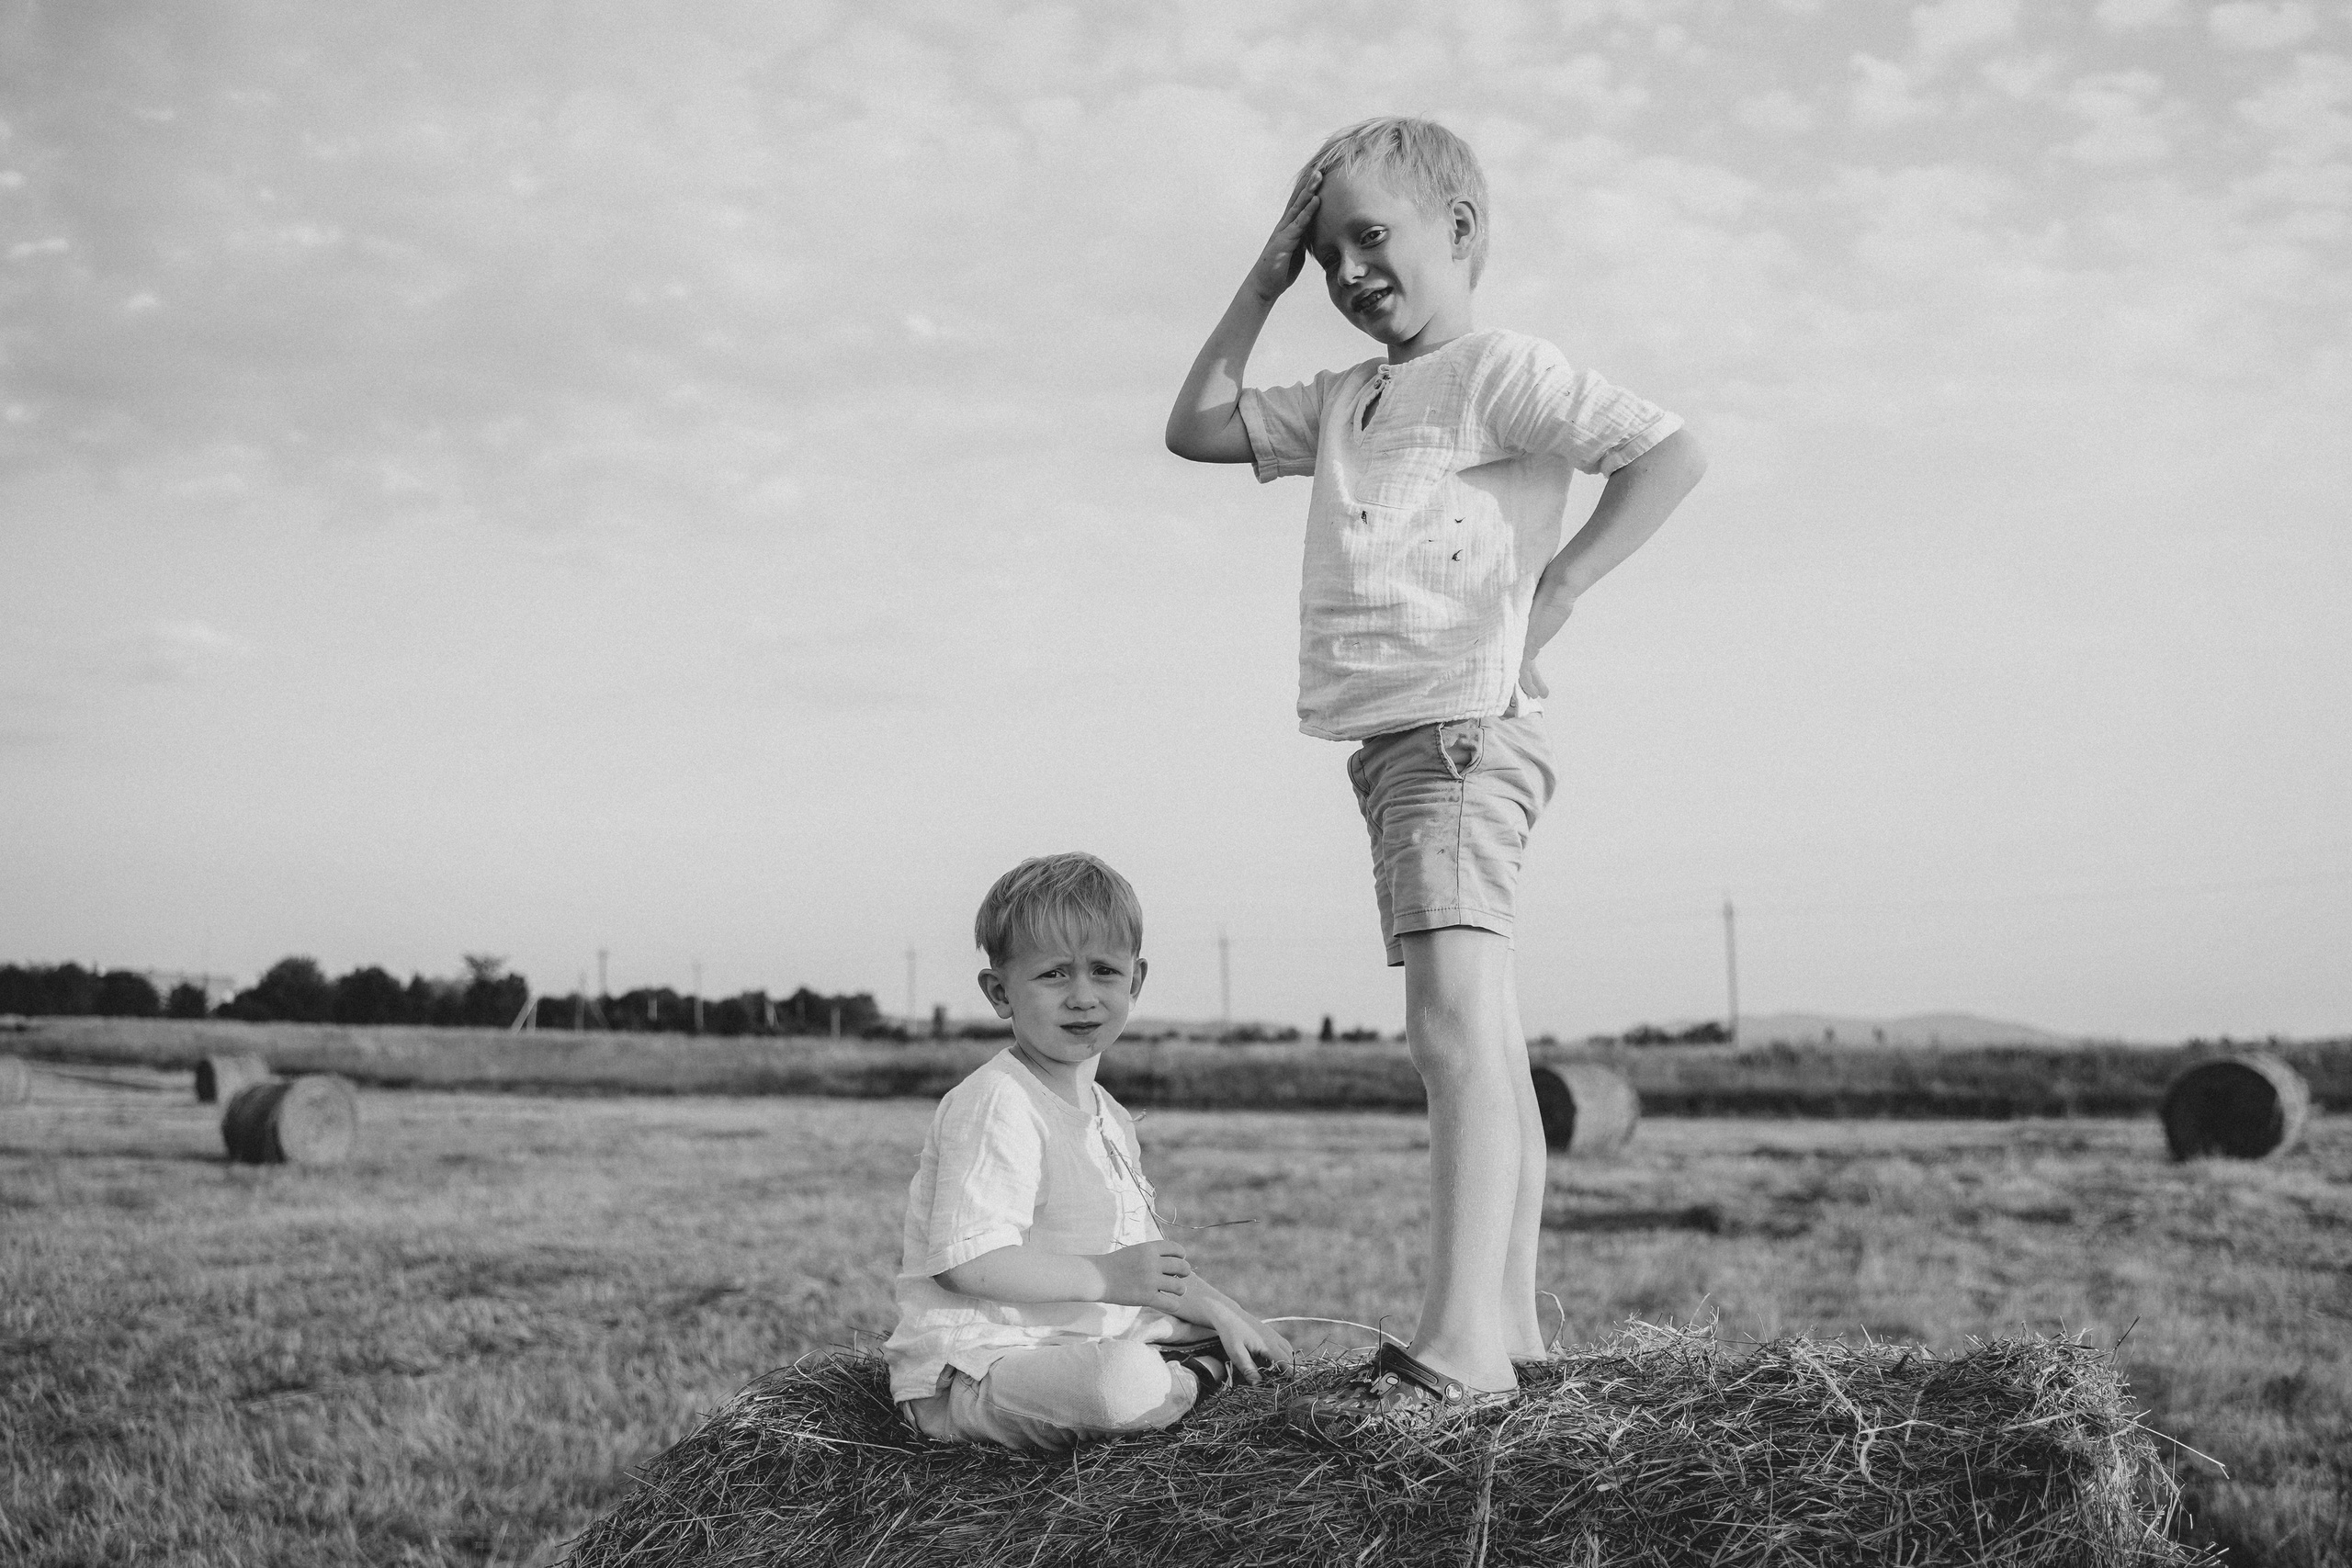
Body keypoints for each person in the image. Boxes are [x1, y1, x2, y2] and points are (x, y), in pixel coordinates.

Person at [1163, 118, 1707, 1429]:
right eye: (1327, 248)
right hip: (1402, 736)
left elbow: (1669, 449)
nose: (1349, 270)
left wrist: (1558, 590)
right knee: (1493, 1038)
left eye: (1371, 238)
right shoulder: (1349, 399)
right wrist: (1265, 271)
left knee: (1450, 1029)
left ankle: (1462, 1335)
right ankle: (1508, 1320)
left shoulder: (1491, 370)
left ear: (1458, 231)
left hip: (1462, 727)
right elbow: (1192, 427)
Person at [885, 852, 1295, 1452]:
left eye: (1103, 970)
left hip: (1067, 1343)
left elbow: (1147, 1268)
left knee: (1215, 1340)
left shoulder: (1110, 1112)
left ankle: (1197, 1370)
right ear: (1000, 992)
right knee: (1120, 1383)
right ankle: (1197, 1380)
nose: (1082, 996)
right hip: (974, 1372)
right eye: (1054, 974)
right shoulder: (998, 1101)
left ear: (1136, 980)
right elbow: (968, 1263)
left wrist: (1229, 1313)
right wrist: (1106, 1275)